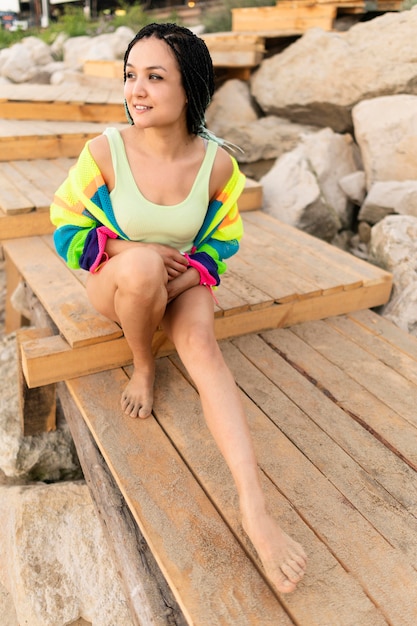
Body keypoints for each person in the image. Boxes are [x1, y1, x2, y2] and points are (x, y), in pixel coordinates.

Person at [50, 22, 307, 594]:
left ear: (190, 88)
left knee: (205, 352)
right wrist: (128, 249)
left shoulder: (218, 166)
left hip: (181, 280)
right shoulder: (106, 153)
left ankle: (255, 508)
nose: (135, 90)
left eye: (154, 77)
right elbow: (65, 225)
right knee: (142, 270)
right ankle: (143, 363)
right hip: (116, 282)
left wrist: (193, 270)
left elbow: (223, 241)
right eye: (130, 76)